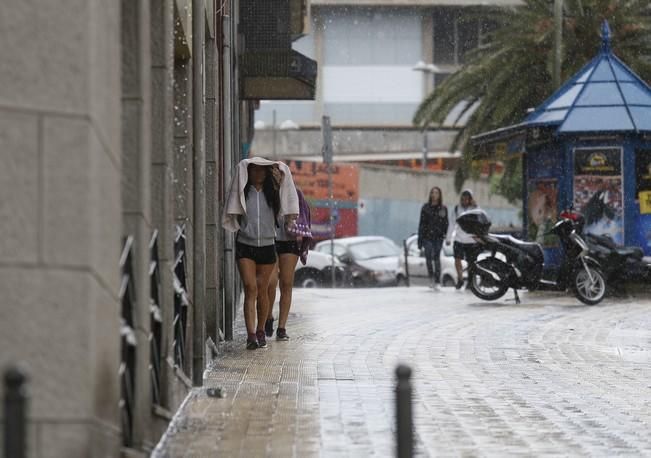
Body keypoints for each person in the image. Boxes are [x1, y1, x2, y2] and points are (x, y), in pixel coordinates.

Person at [222, 157, 299, 349]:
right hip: (245, 245)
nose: (258, 174)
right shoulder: (242, 191)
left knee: (262, 290)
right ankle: (251, 336)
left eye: (261, 171)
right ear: (249, 172)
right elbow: (232, 206)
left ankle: (261, 330)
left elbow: (287, 191)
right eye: (254, 170)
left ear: (266, 173)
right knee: (250, 287)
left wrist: (279, 172)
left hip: (267, 246)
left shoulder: (273, 193)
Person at [265, 188, 312, 341]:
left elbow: (304, 214)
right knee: (270, 283)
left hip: (289, 242)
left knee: (286, 283)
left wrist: (293, 219)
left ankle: (282, 328)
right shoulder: (267, 192)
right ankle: (268, 315)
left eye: (281, 174)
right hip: (270, 240)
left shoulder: (295, 194)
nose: (277, 177)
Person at [447, 189, 481, 289]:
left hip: (471, 240)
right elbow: (452, 224)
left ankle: (470, 281)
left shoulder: (475, 208)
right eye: (463, 198)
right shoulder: (457, 209)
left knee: (471, 261)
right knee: (457, 260)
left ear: (470, 199)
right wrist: (448, 238)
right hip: (459, 239)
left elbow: (480, 219)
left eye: (467, 198)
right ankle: (460, 279)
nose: (465, 200)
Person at [417, 186, 448, 290]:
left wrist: (444, 234)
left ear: (440, 195)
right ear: (430, 195)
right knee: (428, 257)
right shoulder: (425, 207)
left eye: (437, 193)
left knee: (436, 257)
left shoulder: (443, 208)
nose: (434, 195)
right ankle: (431, 278)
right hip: (427, 237)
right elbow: (421, 224)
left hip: (438, 237)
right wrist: (420, 241)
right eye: (433, 193)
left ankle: (437, 281)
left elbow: (445, 223)